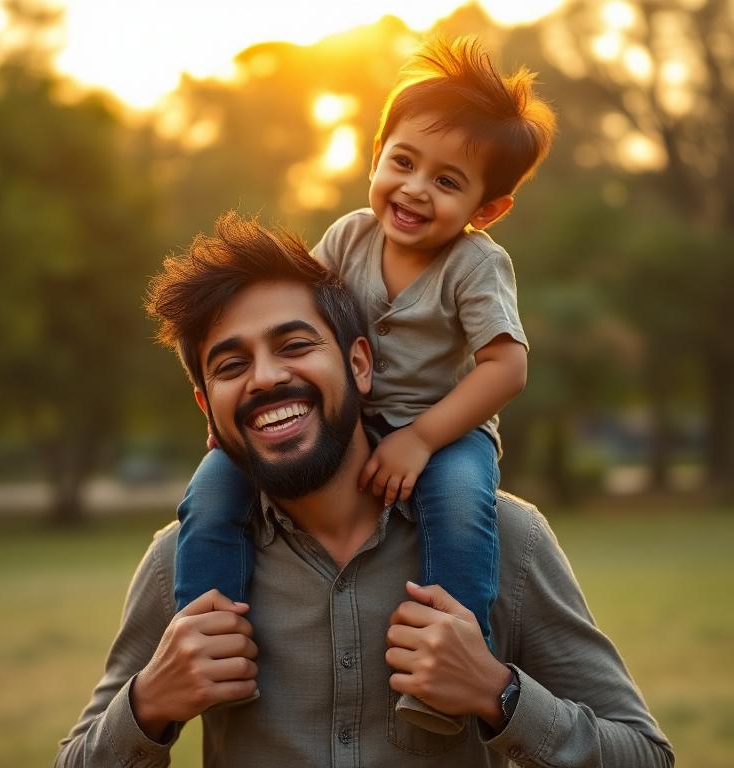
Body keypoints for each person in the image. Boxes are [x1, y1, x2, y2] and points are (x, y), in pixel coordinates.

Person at [55, 213, 674, 767]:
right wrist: (148, 704)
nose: (265, 377)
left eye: (295, 345)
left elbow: (645, 755)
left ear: (359, 364)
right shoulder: (178, 562)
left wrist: (499, 694)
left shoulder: (509, 540)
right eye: (231, 365)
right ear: (206, 406)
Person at [174, 39, 555, 731]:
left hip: (445, 431)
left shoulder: (475, 264)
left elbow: (507, 368)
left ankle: (446, 668)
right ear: (376, 155)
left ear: (488, 208)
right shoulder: (349, 237)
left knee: (459, 512)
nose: (415, 189)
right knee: (209, 491)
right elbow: (291, 318)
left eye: (447, 181)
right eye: (403, 162)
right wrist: (234, 411)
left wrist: (421, 439)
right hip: (344, 418)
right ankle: (211, 646)